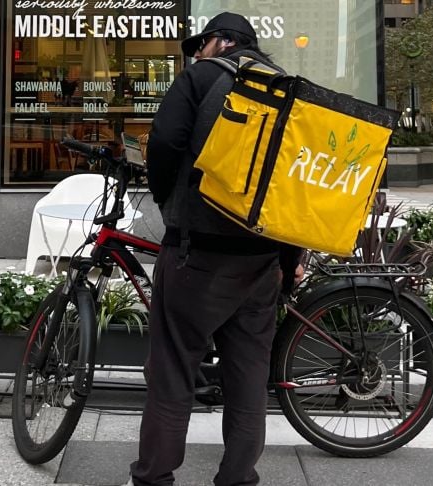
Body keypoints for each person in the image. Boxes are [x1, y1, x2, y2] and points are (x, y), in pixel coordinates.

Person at [128, 12, 302, 486]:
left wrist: (168, 201)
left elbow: (164, 142)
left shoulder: (201, 77)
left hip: (195, 255)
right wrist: (288, 261)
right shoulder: (288, 89)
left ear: (220, 42)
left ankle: (154, 477)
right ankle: (238, 478)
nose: (197, 53)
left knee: (172, 371)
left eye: (200, 44)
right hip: (263, 262)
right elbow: (294, 186)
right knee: (248, 379)